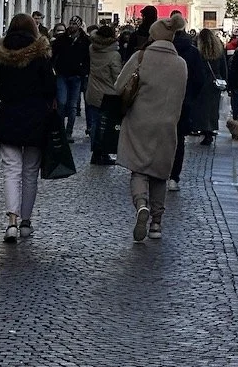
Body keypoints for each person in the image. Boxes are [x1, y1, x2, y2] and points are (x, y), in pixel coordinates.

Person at [114, 16, 187, 242]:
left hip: (139, 121)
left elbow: (118, 87)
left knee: (138, 170)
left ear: (153, 35)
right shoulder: (181, 64)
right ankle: (156, 223)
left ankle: (141, 205)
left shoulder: (141, 57)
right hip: (167, 124)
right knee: (160, 175)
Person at [0, 13, 56, 243]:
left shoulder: (0, 53)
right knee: (30, 172)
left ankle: (11, 222)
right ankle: (26, 221)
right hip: (36, 116)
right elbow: (50, 87)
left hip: (9, 115)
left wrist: (6, 94)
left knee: (11, 170)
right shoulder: (40, 53)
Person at [169, 12, 205, 189]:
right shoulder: (193, 52)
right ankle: (174, 176)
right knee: (178, 139)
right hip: (184, 100)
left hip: (162, 100)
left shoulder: (163, 48)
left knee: (159, 138)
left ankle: (159, 171)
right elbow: (199, 79)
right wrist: (191, 97)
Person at [85, 24, 122, 165]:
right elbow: (117, 76)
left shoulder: (92, 49)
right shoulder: (114, 55)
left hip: (93, 91)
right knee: (105, 126)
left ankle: (95, 153)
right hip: (108, 94)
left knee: (95, 123)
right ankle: (102, 153)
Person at [51, 16, 90, 141]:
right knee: (61, 103)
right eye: (71, 23)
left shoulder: (85, 41)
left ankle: (69, 132)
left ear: (79, 26)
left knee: (72, 106)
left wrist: (83, 71)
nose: (72, 25)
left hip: (76, 76)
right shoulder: (62, 39)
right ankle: (61, 131)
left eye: (74, 24)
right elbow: (53, 54)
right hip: (62, 74)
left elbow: (88, 59)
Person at [191, 28, 226, 145]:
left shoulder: (198, 51)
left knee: (202, 108)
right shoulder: (218, 51)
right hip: (215, 81)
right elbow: (223, 67)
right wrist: (224, 80)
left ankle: (205, 129)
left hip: (203, 81)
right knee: (213, 108)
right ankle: (211, 128)